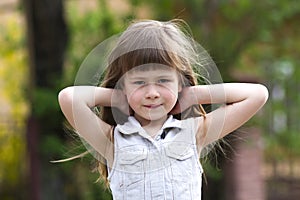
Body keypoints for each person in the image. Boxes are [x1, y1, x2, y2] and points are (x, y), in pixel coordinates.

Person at [58, 19, 268, 199]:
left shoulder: (194, 133)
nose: (152, 92)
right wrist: (117, 97)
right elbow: (68, 98)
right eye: (139, 82)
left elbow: (257, 95)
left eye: (163, 81)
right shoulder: (113, 142)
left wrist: (195, 94)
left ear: (179, 83)